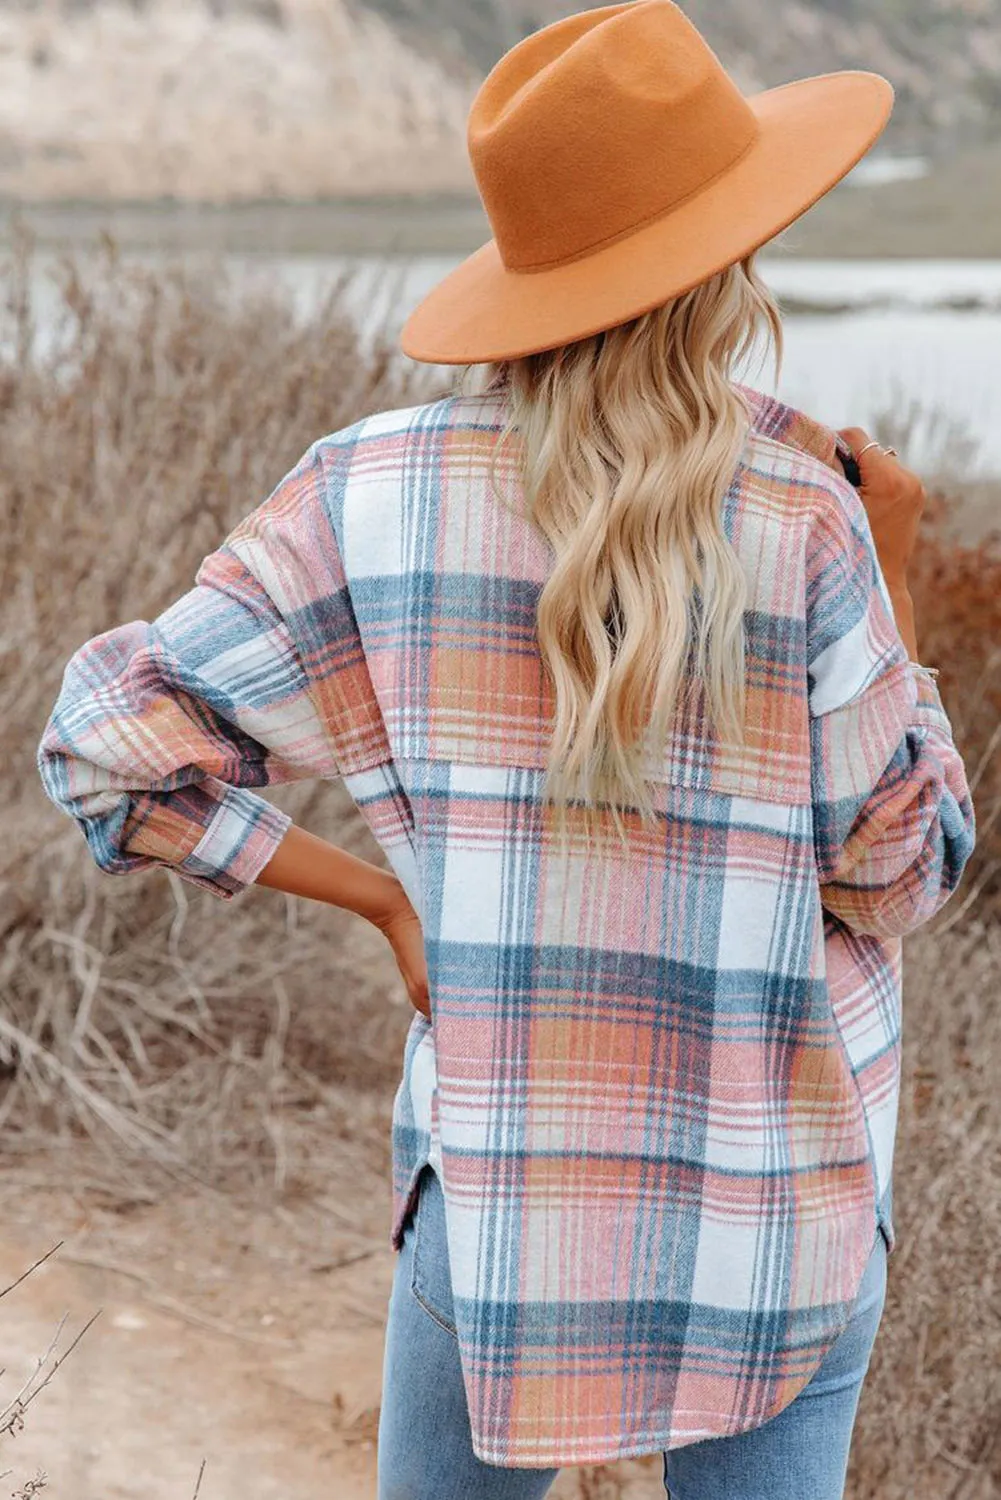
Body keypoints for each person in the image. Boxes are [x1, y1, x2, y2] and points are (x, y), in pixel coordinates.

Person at [37, 3, 976, 1498]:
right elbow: (892, 877)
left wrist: (385, 898)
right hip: (776, 1218)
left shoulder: (364, 496)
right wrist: (903, 574)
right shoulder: (811, 521)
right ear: (726, 260)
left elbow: (105, 751)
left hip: (498, 1204)